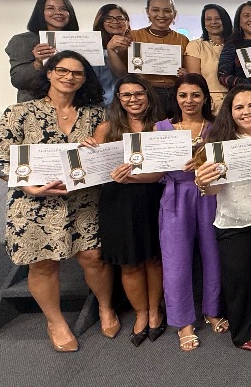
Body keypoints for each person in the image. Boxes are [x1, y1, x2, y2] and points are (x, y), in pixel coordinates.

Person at [0, 51, 117, 352]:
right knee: (43, 263)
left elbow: (108, 155)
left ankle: (105, 306)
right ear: (49, 73)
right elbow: (0, 160)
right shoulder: (19, 112)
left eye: (77, 73)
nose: (69, 77)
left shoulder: (96, 115)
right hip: (34, 201)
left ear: (85, 79)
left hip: (83, 199)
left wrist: (98, 148)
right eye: (62, 70)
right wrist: (31, 187)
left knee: (94, 257)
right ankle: (55, 321)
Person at [194, 85, 251, 352]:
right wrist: (203, 182)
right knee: (238, 279)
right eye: (239, 107)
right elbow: (212, 190)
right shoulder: (219, 144)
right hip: (235, 220)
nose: (247, 111)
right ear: (230, 112)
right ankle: (243, 329)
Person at [92, 75, 167, 347]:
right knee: (129, 262)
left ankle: (155, 310)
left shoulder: (162, 127)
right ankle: (141, 313)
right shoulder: (105, 129)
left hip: (153, 199)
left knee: (154, 259)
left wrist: (130, 178)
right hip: (117, 203)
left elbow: (164, 171)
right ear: (118, 99)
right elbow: (96, 170)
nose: (133, 99)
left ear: (148, 95)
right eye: (126, 95)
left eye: (139, 93)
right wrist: (87, 151)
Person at [154, 74, 227, 352]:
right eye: (183, 95)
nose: (189, 100)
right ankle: (183, 322)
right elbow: (154, 167)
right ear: (175, 98)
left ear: (205, 97)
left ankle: (212, 310)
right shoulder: (161, 128)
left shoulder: (217, 127)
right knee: (176, 260)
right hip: (176, 196)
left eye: (196, 95)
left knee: (213, 254)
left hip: (211, 195)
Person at [5, 0, 81, 102]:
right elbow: (18, 80)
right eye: (51, 8)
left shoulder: (80, 40)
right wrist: (38, 63)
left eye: (64, 9)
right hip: (36, 106)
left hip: (74, 104)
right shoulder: (23, 41)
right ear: (40, 12)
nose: (58, 12)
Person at [129, 0, 190, 118]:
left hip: (175, 93)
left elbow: (188, 70)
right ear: (147, 12)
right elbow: (122, 70)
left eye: (167, 11)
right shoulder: (133, 36)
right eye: (155, 10)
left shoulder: (183, 39)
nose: (161, 15)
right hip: (146, 93)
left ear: (174, 14)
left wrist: (185, 73)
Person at [185, 4, 233, 114]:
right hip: (207, 103)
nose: (213, 22)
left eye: (217, 18)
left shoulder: (235, 45)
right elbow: (195, 81)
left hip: (235, 101)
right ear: (204, 23)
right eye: (208, 19)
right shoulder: (196, 45)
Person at [92, 3, 131, 104]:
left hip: (129, 102)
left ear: (127, 22)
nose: (115, 22)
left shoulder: (135, 46)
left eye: (120, 18)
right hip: (102, 102)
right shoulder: (93, 48)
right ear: (101, 22)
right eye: (108, 18)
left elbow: (125, 77)